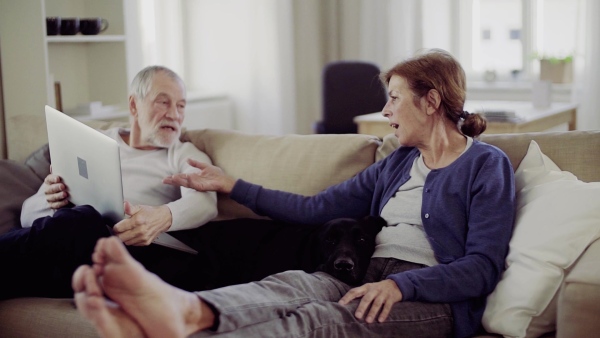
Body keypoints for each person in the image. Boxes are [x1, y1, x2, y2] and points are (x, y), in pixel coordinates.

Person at [73, 49, 516, 338]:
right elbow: (314, 208)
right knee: (285, 287)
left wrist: (402, 285)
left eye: (394, 98)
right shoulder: (398, 163)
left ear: (432, 102)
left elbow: (481, 267)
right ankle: (185, 311)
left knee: (319, 322)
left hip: (428, 297)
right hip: (361, 275)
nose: (385, 111)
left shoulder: (484, 165)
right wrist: (232, 185)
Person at [0, 65, 219, 299]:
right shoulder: (94, 142)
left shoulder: (183, 153)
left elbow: (205, 204)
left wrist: (163, 217)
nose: (174, 114)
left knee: (82, 219)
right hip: (72, 245)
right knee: (78, 220)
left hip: (134, 252)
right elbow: (27, 217)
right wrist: (51, 199)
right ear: (134, 105)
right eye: (163, 102)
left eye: (181, 105)